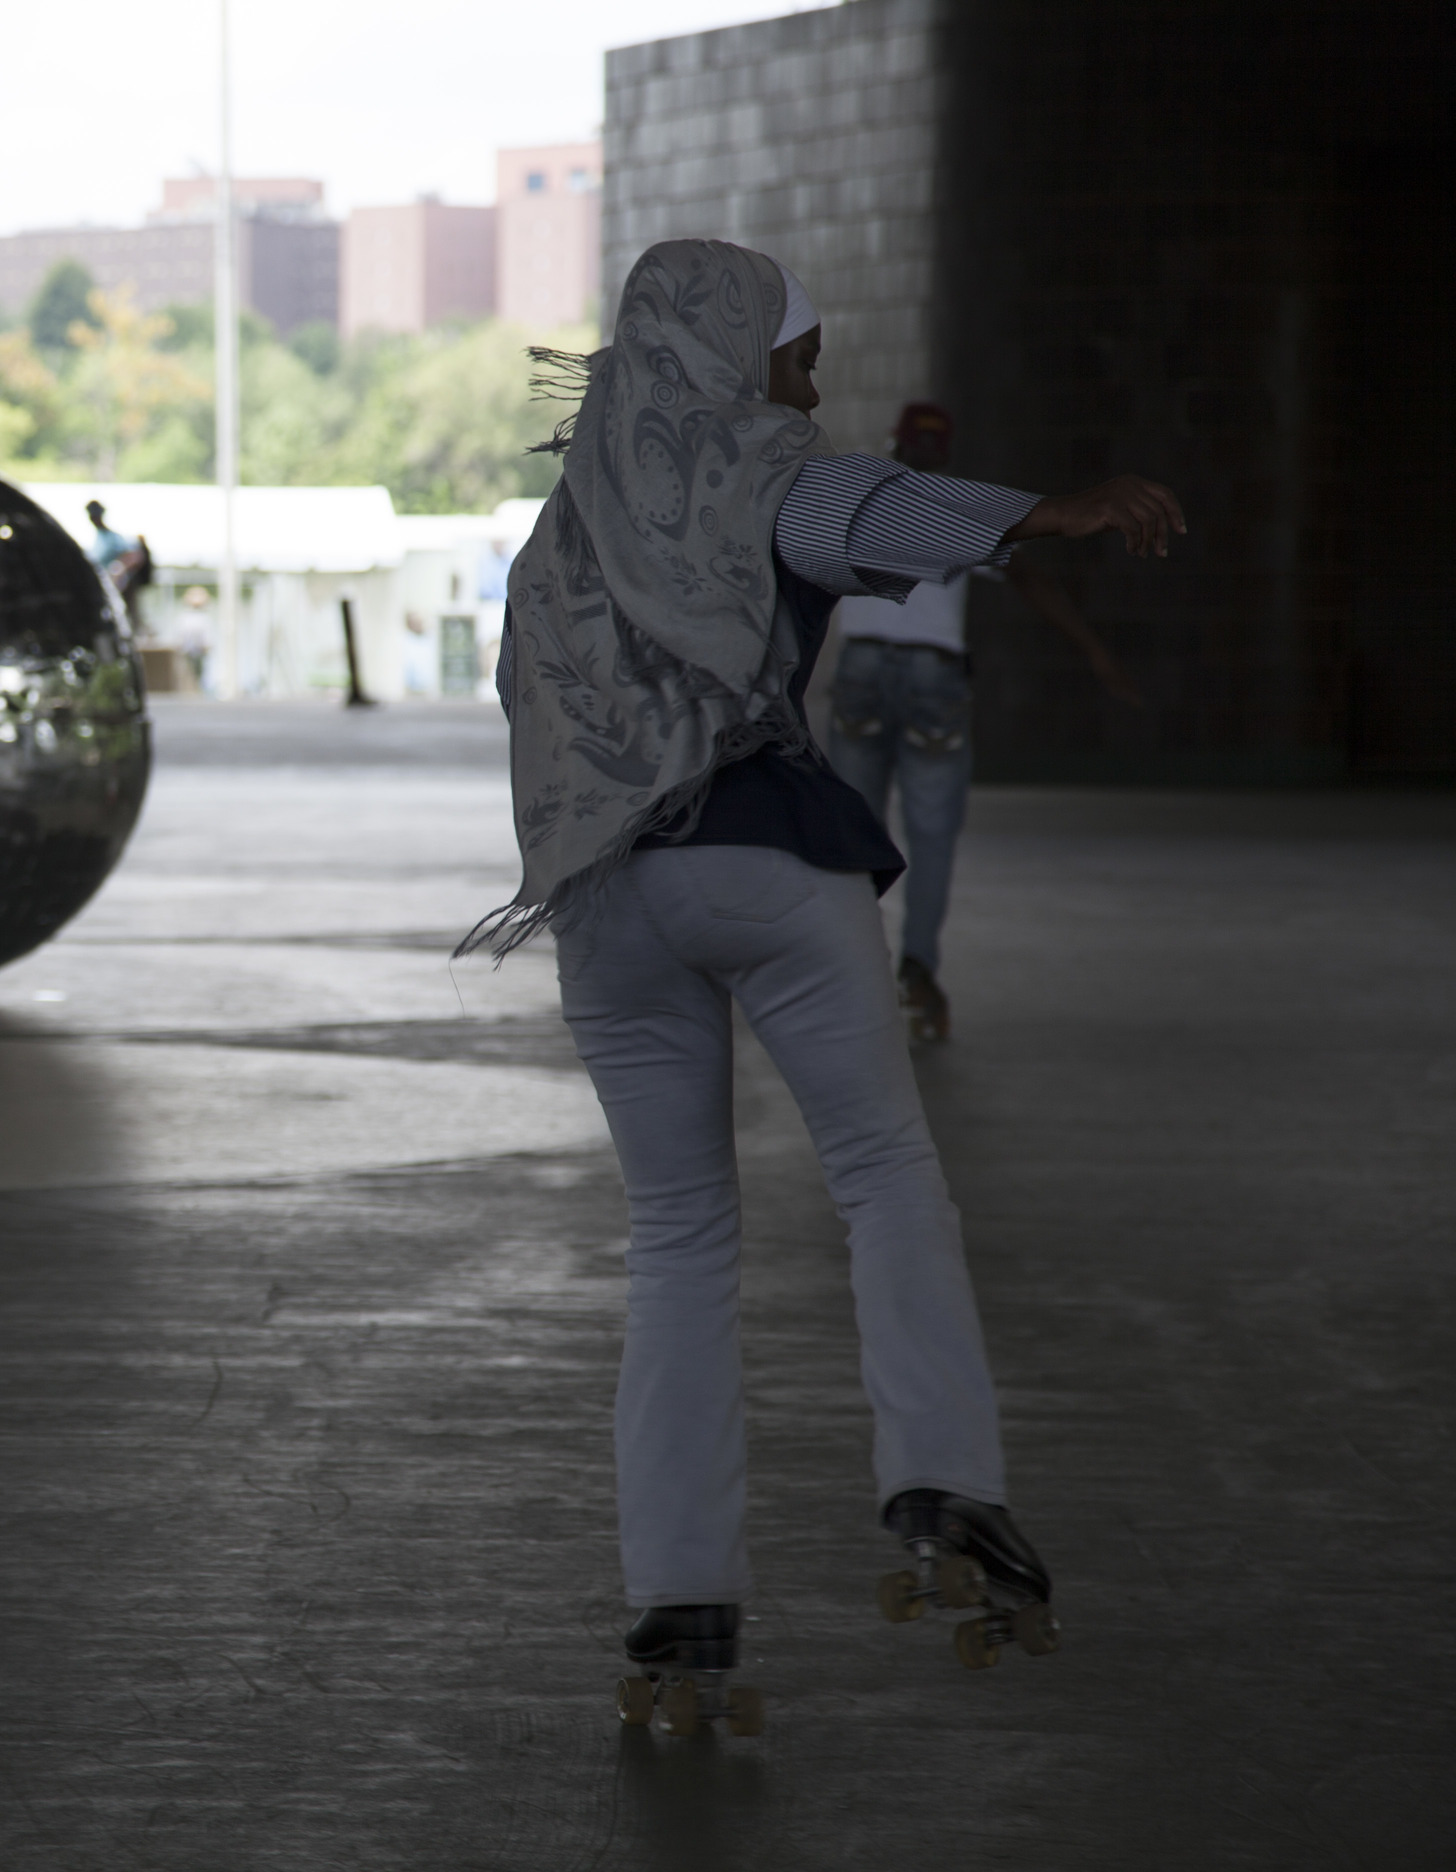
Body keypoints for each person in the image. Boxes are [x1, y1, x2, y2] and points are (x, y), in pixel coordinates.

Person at [469, 239, 1185, 1708]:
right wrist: (1051, 513)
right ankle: (943, 1480)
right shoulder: (756, 465)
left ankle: (681, 1604)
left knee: (675, 1239)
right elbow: (856, 507)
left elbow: (528, 702)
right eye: (798, 357)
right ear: (739, 357)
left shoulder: (565, 524)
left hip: (605, 900)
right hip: (763, 862)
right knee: (880, 1170)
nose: (811, 383)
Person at [827, 402, 1143, 1041]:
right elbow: (1033, 582)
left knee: (849, 833)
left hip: (860, 670)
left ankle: (850, 977)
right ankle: (918, 972)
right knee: (933, 835)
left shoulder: (859, 498)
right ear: (944, 452)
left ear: (895, 444)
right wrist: (1094, 650)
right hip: (934, 677)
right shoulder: (959, 507)